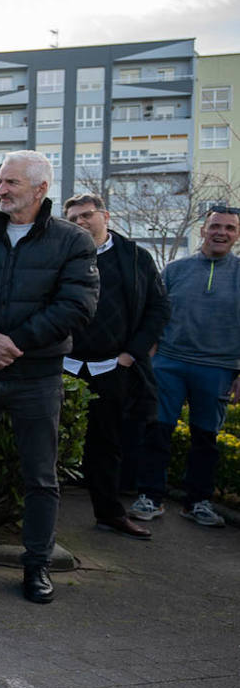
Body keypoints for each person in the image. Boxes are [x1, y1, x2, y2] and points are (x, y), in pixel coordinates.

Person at [0, 150, 98, 604]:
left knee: (40, 477)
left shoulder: (72, 242)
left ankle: (36, 565)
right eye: (0, 182)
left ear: (41, 189)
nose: (1, 190)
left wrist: (14, 344)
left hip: (37, 377)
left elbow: (77, 306)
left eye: (11, 183)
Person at [62, 194, 168, 540]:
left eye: (87, 215)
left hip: (112, 366)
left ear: (105, 216)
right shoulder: (60, 254)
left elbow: (157, 309)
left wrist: (130, 355)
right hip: (63, 364)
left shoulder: (136, 257)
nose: (80, 222)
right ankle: (35, 520)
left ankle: (109, 514)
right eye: (72, 217)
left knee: (106, 445)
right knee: (45, 444)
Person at [131, 206, 240, 529]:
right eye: (216, 226)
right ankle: (150, 497)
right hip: (169, 363)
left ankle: (198, 503)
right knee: (157, 432)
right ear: (203, 229)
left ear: (237, 234)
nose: (222, 233)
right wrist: (150, 357)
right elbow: (154, 313)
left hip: (218, 368)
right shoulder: (175, 270)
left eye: (230, 228)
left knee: (205, 439)